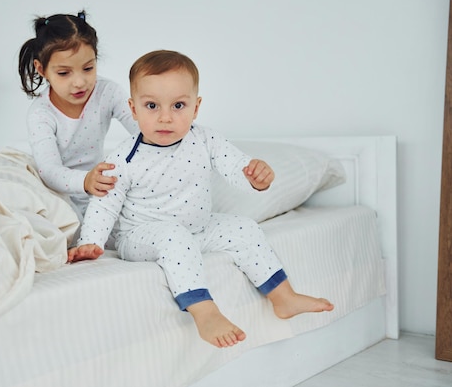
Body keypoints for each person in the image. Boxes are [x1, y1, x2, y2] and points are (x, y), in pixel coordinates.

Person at [68, 50, 334, 348]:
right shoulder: (123, 158)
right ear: (133, 108)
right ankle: (204, 311)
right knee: (173, 236)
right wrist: (90, 242)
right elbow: (105, 202)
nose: (165, 117)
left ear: (196, 107)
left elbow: (235, 165)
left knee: (243, 228)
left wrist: (254, 176)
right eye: (152, 105)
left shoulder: (205, 139)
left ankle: (283, 297)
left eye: (179, 105)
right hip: (141, 235)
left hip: (198, 228)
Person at [18, 10, 138, 225]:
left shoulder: (108, 93)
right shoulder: (41, 114)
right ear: (42, 69)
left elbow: (142, 130)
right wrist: (85, 180)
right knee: (59, 224)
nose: (80, 82)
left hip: (98, 187)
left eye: (88, 68)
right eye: (64, 73)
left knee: (135, 215)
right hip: (58, 192)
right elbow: (50, 172)